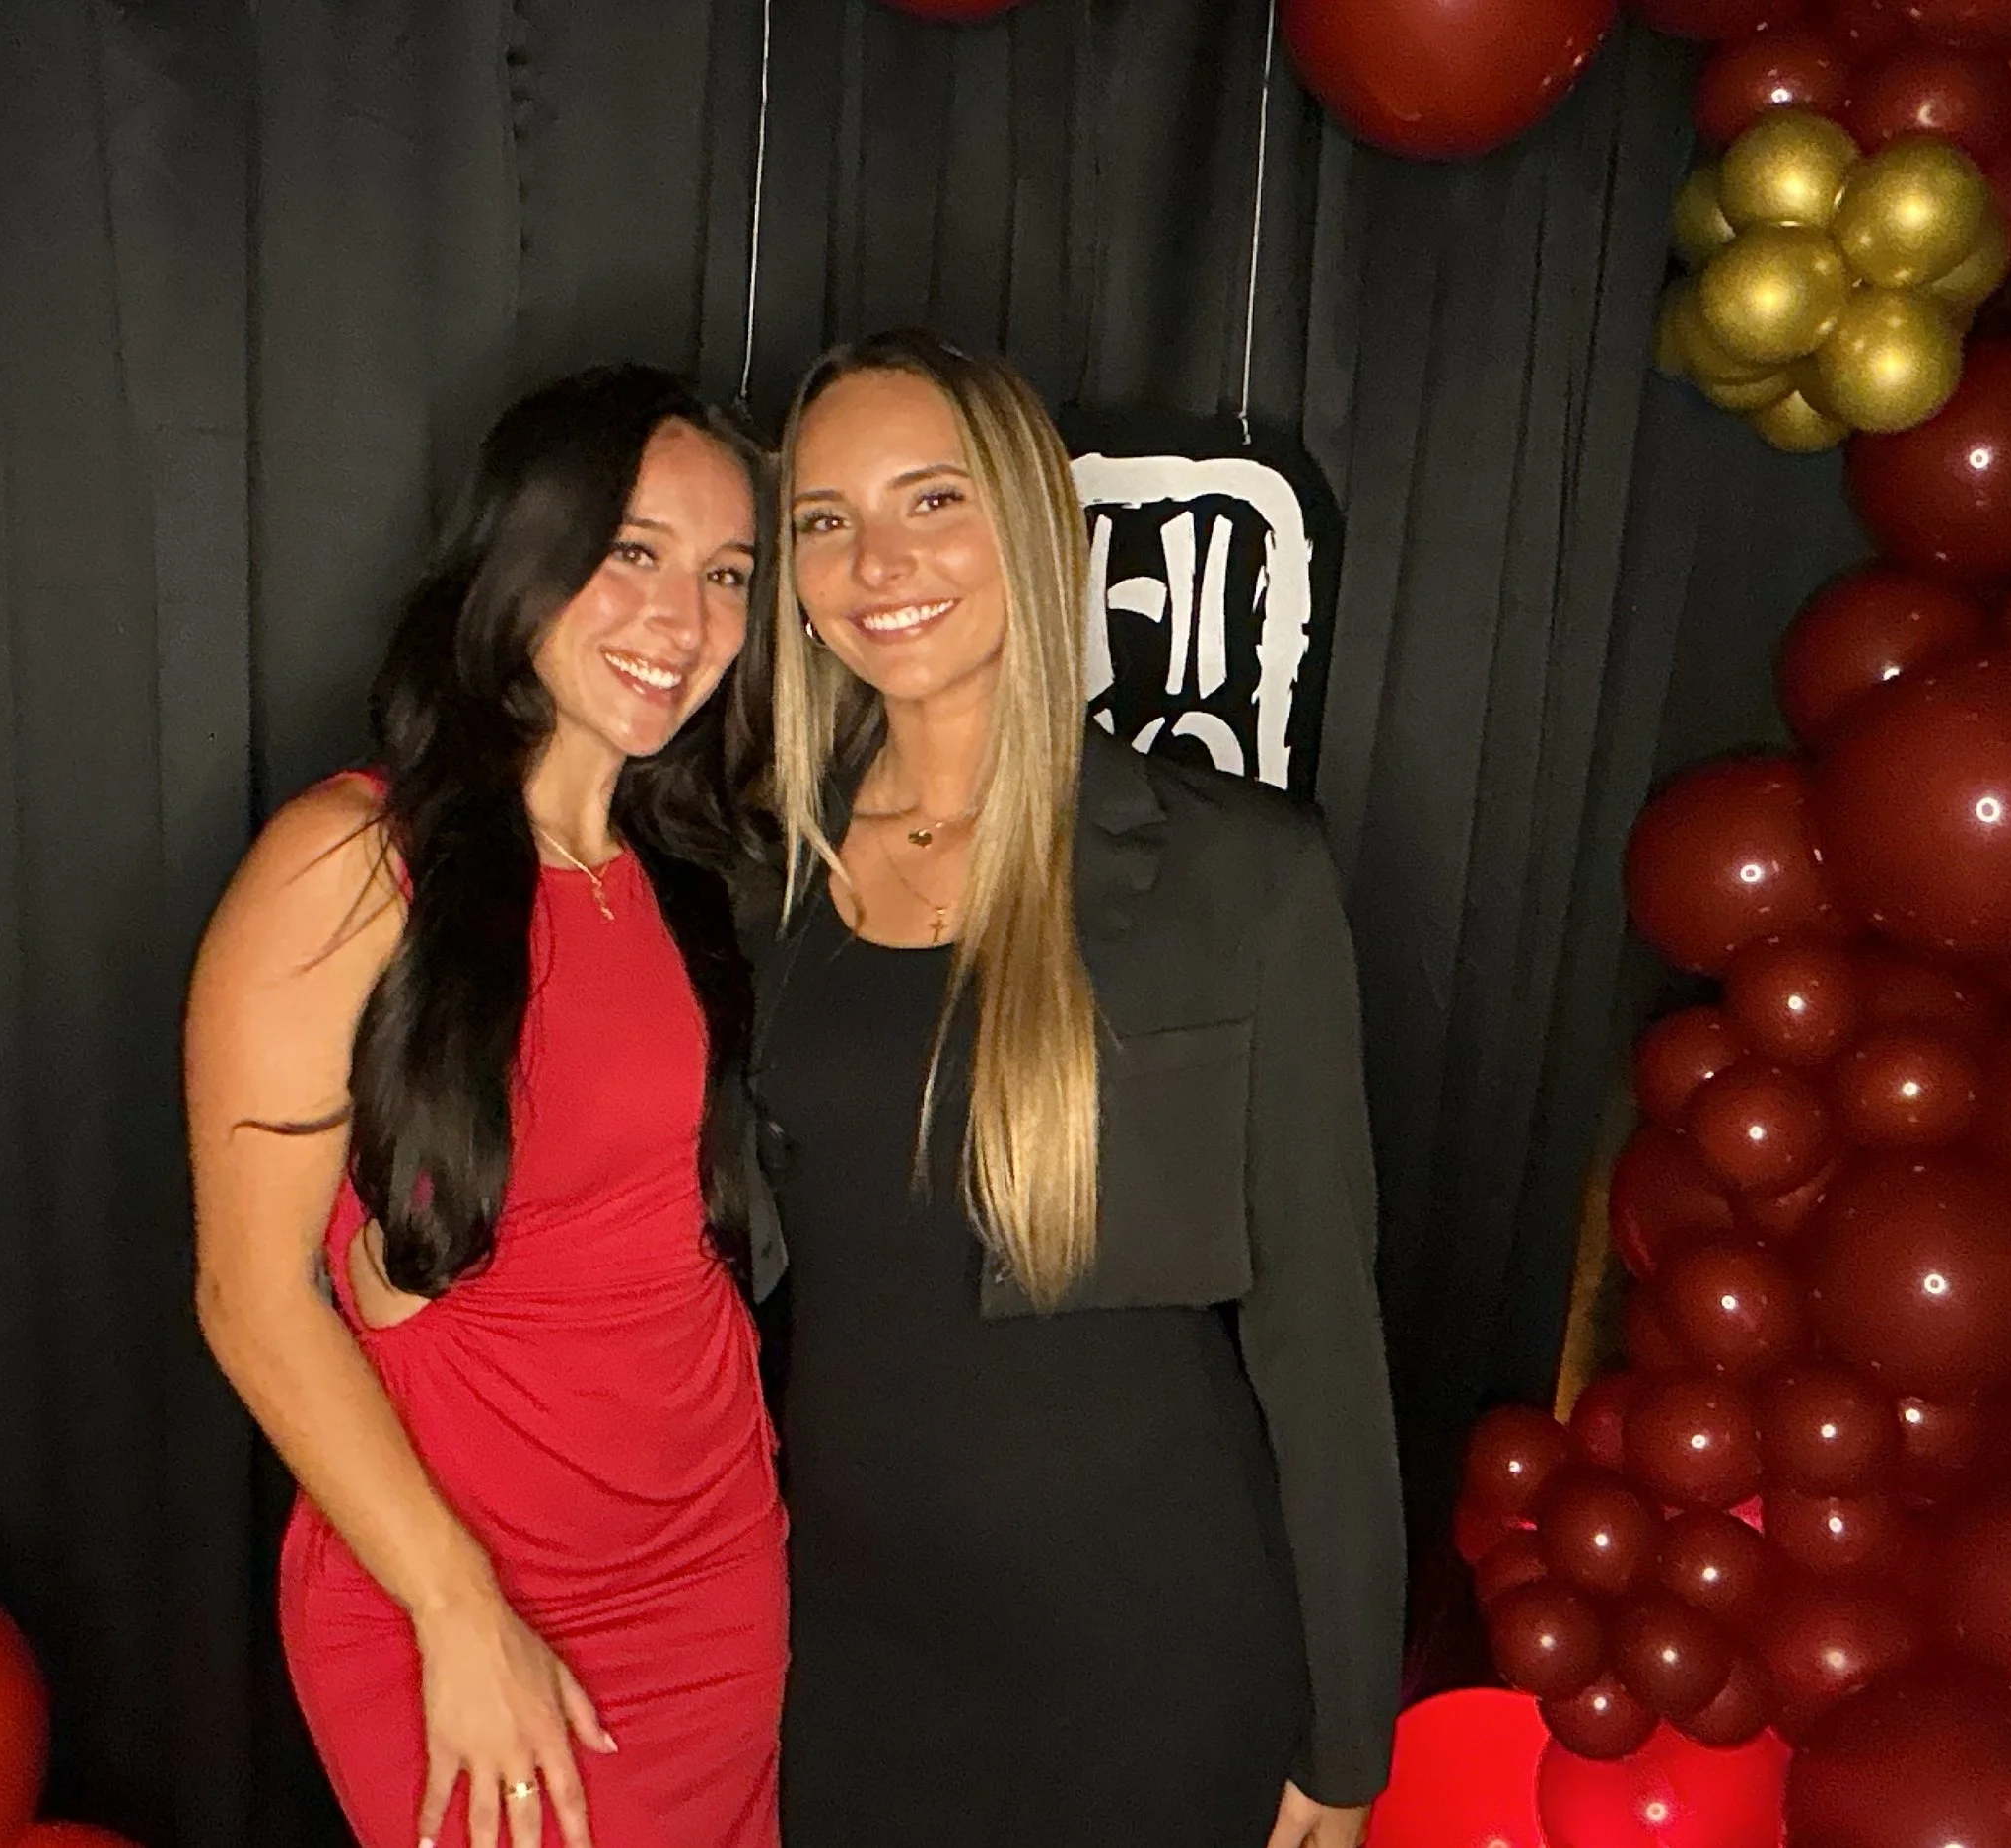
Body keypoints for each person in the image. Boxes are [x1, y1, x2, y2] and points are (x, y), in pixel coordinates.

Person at [744, 329, 1403, 1848]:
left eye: (932, 500)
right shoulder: (771, 873)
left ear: (1032, 520)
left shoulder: (1239, 874)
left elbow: (1320, 1324)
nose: (875, 560)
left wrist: (1349, 1724)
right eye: (825, 519)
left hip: (1149, 1655)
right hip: (851, 1653)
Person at [186, 366, 785, 1848]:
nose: (684, 619)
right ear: (524, 554)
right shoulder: (351, 864)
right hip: (457, 1593)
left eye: (727, 575)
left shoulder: (687, 875)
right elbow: (251, 1296)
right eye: (632, 552)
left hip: (715, 1571)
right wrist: (461, 1613)